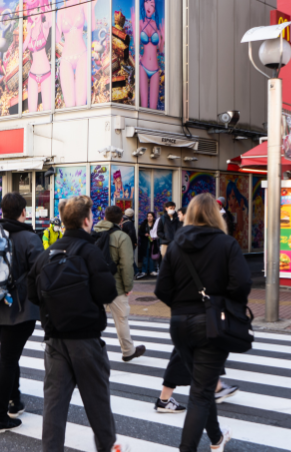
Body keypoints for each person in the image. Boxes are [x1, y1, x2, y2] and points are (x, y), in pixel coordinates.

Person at [27, 195, 127, 452]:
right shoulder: (90, 251)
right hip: (86, 340)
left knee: (54, 406)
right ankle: (107, 448)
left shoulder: (47, 253)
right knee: (97, 403)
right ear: (86, 220)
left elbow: (32, 294)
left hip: (55, 340)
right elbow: (106, 292)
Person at [154, 193, 251, 452]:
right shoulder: (226, 244)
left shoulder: (176, 245)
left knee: (202, 385)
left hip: (179, 324)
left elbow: (161, 288)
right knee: (200, 392)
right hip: (212, 323)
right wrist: (224, 303)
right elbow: (242, 283)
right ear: (215, 215)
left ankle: (217, 438)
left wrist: (181, 306)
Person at [0, 193, 44, 433]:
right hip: (19, 311)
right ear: (23, 211)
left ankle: (14, 400)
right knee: (8, 360)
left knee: (10, 355)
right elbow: (41, 273)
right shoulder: (29, 238)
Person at [93, 206, 145, 362]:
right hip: (116, 286)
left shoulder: (93, 233)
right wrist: (128, 287)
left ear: (104, 217)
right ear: (121, 220)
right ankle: (128, 351)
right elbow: (127, 265)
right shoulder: (122, 237)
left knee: (93, 319)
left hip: (95, 284)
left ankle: (91, 350)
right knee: (121, 319)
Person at [136, 212, 158, 279]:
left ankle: (152, 270)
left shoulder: (155, 224)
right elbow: (140, 233)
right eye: (148, 216)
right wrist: (144, 234)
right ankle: (144, 271)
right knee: (145, 257)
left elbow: (158, 232)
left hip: (153, 244)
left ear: (153, 217)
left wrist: (154, 237)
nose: (149, 218)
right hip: (145, 243)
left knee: (152, 258)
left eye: (151, 216)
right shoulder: (144, 224)